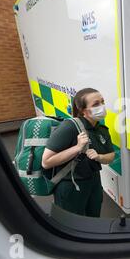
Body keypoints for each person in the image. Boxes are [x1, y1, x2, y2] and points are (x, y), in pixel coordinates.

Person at [42, 88, 115, 217]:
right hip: (71, 185)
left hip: (93, 181)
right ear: (83, 110)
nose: (102, 106)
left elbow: (111, 156)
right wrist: (77, 148)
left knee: (93, 218)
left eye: (102, 102)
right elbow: (46, 162)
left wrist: (99, 157)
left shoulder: (101, 129)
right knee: (72, 224)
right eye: (96, 104)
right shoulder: (69, 127)